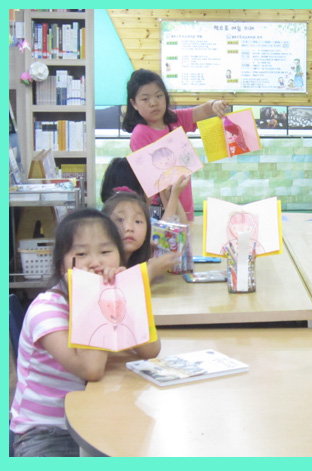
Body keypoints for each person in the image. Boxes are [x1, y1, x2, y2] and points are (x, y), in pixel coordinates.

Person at [10, 209, 161, 457]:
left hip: (94, 418)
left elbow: (150, 350)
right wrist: (91, 296)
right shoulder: (46, 310)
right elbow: (91, 368)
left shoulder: (110, 297)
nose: (95, 262)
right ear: (61, 265)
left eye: (105, 252)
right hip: (47, 433)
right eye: (81, 254)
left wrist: (127, 294)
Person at [122, 68, 228, 221]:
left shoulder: (174, 120)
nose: (153, 103)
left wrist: (214, 104)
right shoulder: (140, 134)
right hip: (163, 208)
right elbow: (153, 181)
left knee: (187, 233)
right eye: (145, 99)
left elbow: (201, 112)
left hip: (185, 203)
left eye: (159, 96)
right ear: (134, 104)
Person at [102, 191, 180, 280]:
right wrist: (150, 271)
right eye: (120, 220)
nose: (129, 228)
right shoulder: (100, 265)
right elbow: (121, 287)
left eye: (138, 221)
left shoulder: (140, 260)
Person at [100, 156, 189, 224]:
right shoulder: (115, 222)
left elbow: (182, 229)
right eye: (146, 186)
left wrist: (172, 196)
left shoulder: (146, 220)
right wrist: (174, 196)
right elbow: (162, 234)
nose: (152, 195)